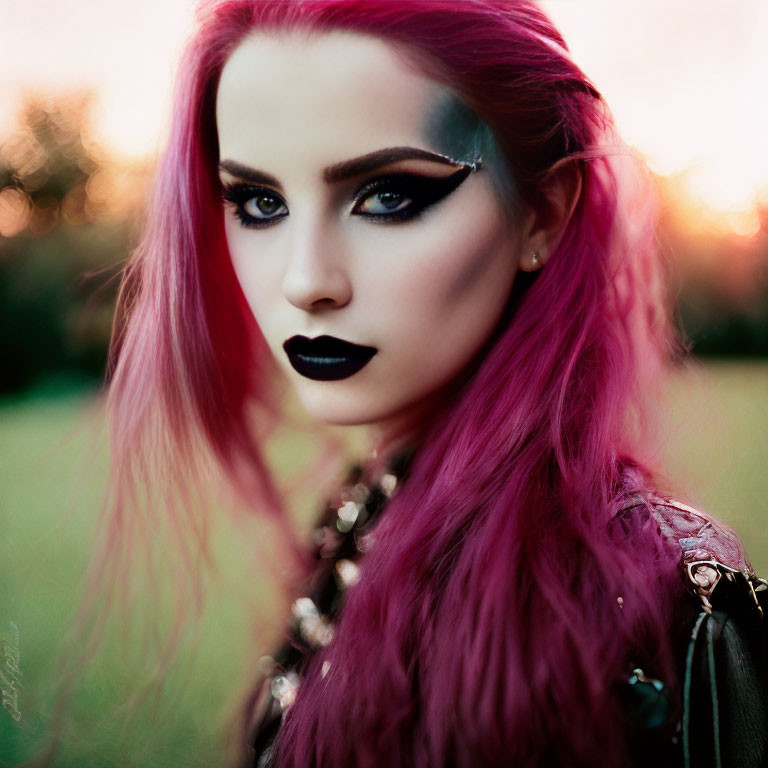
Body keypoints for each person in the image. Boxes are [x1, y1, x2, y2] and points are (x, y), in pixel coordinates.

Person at [98, 1, 768, 767]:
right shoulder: (371, 504)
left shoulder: (667, 608)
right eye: (260, 202)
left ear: (541, 215)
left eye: (387, 195)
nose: (306, 280)